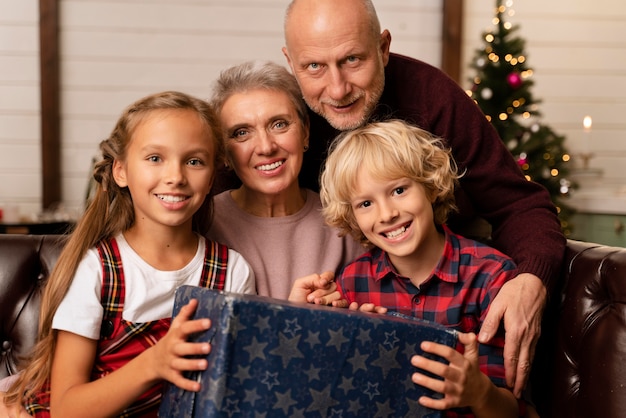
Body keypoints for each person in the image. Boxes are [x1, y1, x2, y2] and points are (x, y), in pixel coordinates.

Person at [277, 0, 566, 397]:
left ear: (383, 48)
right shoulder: (279, 113)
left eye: (353, 59)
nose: (338, 88)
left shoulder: (433, 97)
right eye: (314, 67)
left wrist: (532, 279)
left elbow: (519, 204)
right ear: (290, 62)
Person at [1, 91, 257, 417]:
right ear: (121, 171)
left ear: (211, 179)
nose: (175, 177)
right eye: (155, 158)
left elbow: (238, 387)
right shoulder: (97, 271)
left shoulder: (233, 272)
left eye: (194, 161)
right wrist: (153, 363)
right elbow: (67, 408)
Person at [319, 119, 525, 417]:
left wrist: (479, 392)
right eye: (365, 204)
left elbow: (514, 410)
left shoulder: (490, 276)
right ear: (351, 216)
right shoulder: (352, 283)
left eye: (399, 190)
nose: (387, 213)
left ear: (429, 186)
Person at [208, 60, 364, 300]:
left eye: (279, 124)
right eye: (241, 133)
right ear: (224, 154)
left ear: (305, 131)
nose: (266, 147)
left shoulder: (346, 220)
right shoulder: (202, 222)